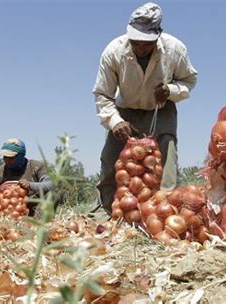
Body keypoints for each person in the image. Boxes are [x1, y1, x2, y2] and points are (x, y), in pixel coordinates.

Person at [92, 2, 198, 214]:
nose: (140, 47)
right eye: (135, 42)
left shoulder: (175, 49)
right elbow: (103, 94)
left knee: (166, 155)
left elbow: (189, 80)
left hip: (161, 109)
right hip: (125, 111)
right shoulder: (113, 51)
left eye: (146, 43)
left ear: (158, 35)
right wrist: (115, 121)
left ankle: (162, 212)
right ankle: (106, 211)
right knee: (110, 157)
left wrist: (170, 90)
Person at [0, 138, 53, 217]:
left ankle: (40, 223)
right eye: (5, 157)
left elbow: (50, 185)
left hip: (33, 207)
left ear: (22, 155)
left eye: (12, 157)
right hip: (7, 210)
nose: (7, 160)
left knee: (53, 195)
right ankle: (2, 224)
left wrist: (30, 185)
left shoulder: (36, 167)